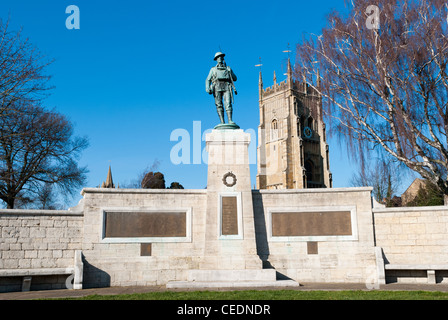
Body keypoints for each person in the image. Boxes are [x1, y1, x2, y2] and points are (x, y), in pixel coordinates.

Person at [205, 52, 238, 126]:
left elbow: (235, 78)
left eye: (221, 57)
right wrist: (207, 87)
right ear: (216, 59)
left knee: (228, 103)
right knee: (219, 104)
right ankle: (222, 121)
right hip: (217, 86)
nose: (220, 58)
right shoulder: (213, 69)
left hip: (227, 85)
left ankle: (230, 120)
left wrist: (230, 72)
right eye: (218, 57)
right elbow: (208, 79)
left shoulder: (227, 68)